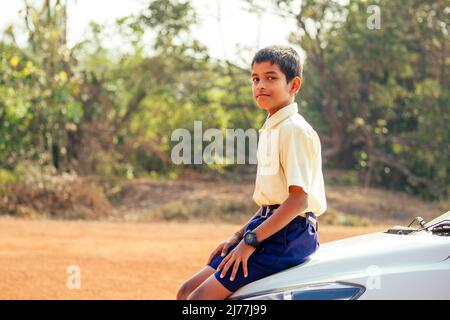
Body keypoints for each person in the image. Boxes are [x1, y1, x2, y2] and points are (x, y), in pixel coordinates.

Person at [177, 45, 327, 300]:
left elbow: (297, 201)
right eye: (255, 79)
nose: (260, 85)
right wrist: (238, 236)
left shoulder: (294, 130)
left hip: (290, 233)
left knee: (199, 300)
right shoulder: (271, 127)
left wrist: (250, 243)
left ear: (294, 85)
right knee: (186, 292)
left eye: (271, 77)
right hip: (267, 225)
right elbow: (271, 201)